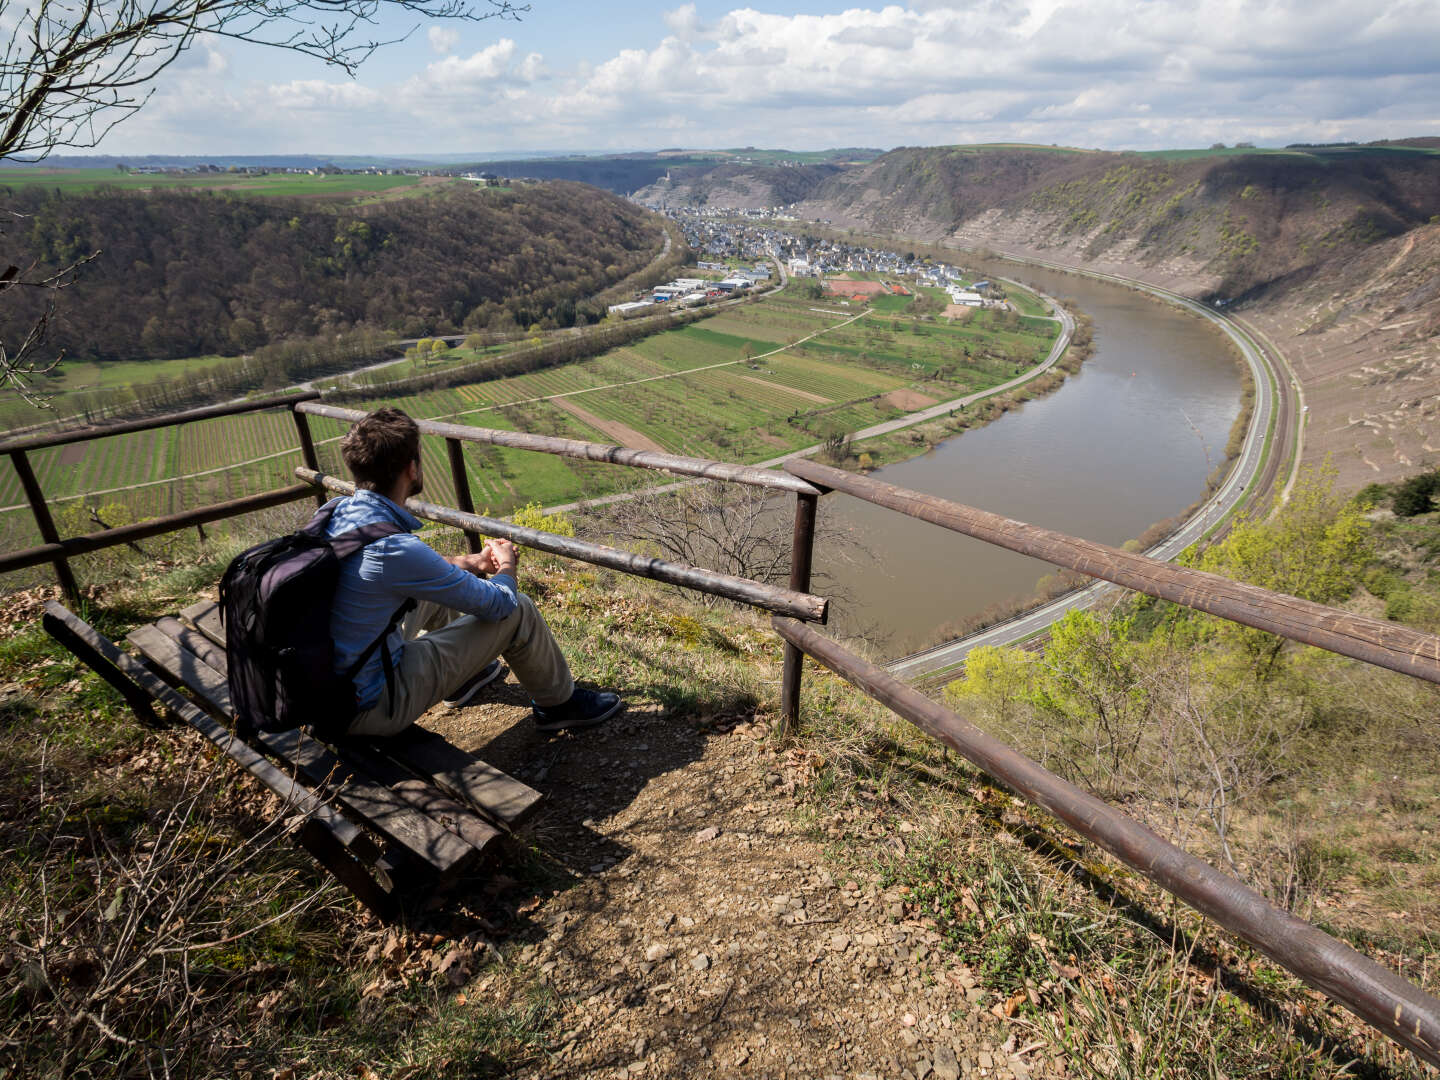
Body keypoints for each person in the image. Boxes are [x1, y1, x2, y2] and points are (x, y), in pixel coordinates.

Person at [326, 406, 621, 737]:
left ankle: (466, 678)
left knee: (437, 589)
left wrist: (476, 563)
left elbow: (421, 570)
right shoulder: (393, 550)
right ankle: (559, 705)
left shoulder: (337, 513)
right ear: (412, 469)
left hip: (328, 689)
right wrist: (506, 565)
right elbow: (500, 606)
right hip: (370, 706)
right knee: (518, 609)